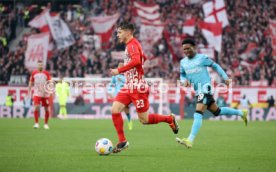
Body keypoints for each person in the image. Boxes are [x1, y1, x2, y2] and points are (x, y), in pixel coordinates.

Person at [109, 23, 179, 153]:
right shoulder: (130, 46)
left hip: (138, 88)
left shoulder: (132, 45)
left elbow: (136, 61)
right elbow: (143, 58)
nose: (117, 35)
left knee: (144, 120)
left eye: (119, 32)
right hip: (128, 86)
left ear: (128, 32)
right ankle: (122, 141)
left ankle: (169, 119)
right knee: (115, 109)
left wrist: (119, 70)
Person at [176, 38, 248, 148]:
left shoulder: (202, 58)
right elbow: (182, 74)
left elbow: (215, 66)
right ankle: (242, 113)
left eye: (188, 48)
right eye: (184, 49)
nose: (186, 51)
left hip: (206, 88)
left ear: (194, 47)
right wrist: (183, 81)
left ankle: (190, 140)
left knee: (198, 112)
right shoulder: (183, 62)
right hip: (198, 90)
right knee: (217, 111)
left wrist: (225, 78)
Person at [108, 63, 133, 130]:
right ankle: (119, 125)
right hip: (117, 95)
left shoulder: (127, 76)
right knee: (116, 111)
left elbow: (129, 83)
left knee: (126, 110)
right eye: (119, 67)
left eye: (121, 67)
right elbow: (112, 84)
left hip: (125, 95)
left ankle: (129, 122)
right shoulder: (115, 76)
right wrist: (110, 91)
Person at [28, 60, 51, 129]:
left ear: (43, 65)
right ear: (37, 65)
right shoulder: (34, 73)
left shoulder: (46, 73)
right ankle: (36, 123)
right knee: (36, 107)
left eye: (41, 64)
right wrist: (29, 90)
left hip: (45, 94)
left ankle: (46, 124)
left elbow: (49, 82)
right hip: (37, 93)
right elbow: (31, 81)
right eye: (39, 64)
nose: (40, 66)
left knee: (46, 109)